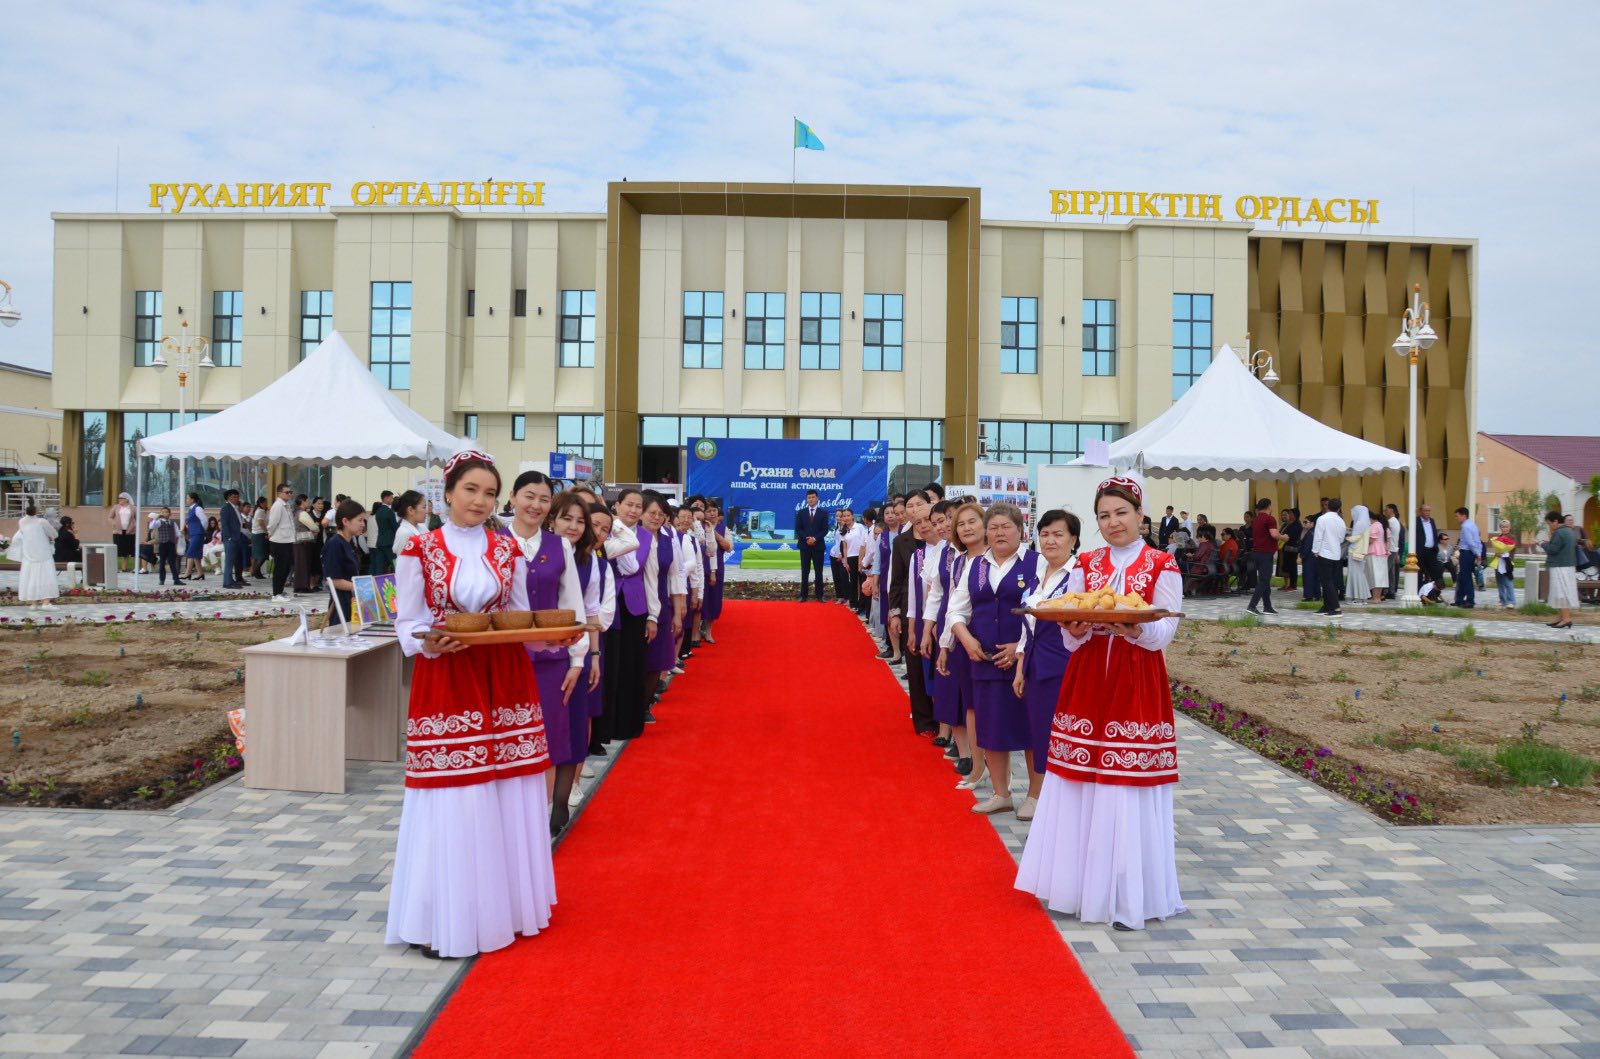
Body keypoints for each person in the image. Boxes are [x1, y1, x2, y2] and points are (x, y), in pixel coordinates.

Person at [387, 449, 577, 960]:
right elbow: (408, 621)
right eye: (471, 489)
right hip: (447, 677)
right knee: (456, 792)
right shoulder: (419, 548)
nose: (480, 500)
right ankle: (441, 919)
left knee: (507, 790)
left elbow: (517, 617)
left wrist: (556, 638)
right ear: (447, 492)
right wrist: (428, 642)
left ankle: (504, 910)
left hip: (505, 678)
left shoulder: (506, 548)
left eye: (489, 493)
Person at [1015, 474, 1185, 931]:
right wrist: (1074, 631)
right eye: (1104, 516)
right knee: (1078, 779)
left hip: (1136, 679)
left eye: (1121, 513)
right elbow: (1075, 629)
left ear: (1140, 515)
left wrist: (1137, 629)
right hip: (1087, 679)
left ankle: (1127, 894)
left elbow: (1165, 631)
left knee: (1123, 780)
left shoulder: (1162, 564)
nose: (1113, 523)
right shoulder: (1086, 564)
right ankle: (1075, 886)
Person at [943, 503, 1043, 816]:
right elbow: (956, 609)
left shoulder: (1036, 563)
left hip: (1025, 662)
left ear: (1021, 531)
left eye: (1006, 527)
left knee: (1030, 730)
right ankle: (1002, 794)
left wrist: (1020, 646)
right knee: (991, 728)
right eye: (994, 527)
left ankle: (1035, 796)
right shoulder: (976, 565)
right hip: (983, 659)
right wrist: (966, 638)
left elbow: (1044, 611)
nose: (999, 533)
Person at [509, 476, 591, 836]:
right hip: (504, 659)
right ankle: (509, 821)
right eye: (529, 496)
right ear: (513, 498)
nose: (536, 505)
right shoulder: (494, 542)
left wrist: (577, 659)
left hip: (551, 662)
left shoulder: (560, 547)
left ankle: (536, 828)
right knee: (509, 740)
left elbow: (573, 606)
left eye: (544, 499)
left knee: (549, 742)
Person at [1011, 509, 1080, 822]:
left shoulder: (1077, 576)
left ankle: (1060, 803)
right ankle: (1041, 797)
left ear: (1073, 539)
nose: (1050, 541)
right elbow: (1027, 629)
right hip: (1036, 668)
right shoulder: (1038, 575)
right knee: (1039, 734)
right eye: (1045, 534)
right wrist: (1020, 668)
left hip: (1065, 668)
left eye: (1058, 534)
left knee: (1061, 737)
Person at [889, 491, 937, 735]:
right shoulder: (902, 541)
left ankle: (944, 720)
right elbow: (896, 580)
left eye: (920, 504)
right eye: (910, 505)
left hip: (937, 613)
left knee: (938, 667)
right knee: (916, 666)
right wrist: (895, 612)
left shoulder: (942, 541)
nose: (915, 509)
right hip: (913, 611)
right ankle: (924, 720)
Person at [603, 488, 649, 742]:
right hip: (607, 602)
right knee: (610, 665)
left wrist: (654, 615)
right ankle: (605, 726)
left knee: (630, 665)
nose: (633, 510)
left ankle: (627, 724)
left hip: (633, 604)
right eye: (629, 504)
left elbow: (643, 571)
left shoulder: (645, 536)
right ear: (617, 505)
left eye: (638, 506)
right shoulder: (602, 529)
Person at [639, 493, 678, 720]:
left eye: (661, 514)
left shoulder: (667, 539)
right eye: (651, 513)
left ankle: (645, 706)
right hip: (635, 604)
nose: (656, 518)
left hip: (662, 604)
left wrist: (678, 611)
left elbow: (675, 576)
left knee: (656, 660)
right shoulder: (630, 538)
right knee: (637, 659)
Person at [585, 503, 618, 758]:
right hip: (553, 643)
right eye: (594, 524)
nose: (598, 532)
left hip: (591, 642)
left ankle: (579, 763)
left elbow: (604, 613)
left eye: (605, 529)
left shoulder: (603, 566)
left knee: (586, 705)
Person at [322, 499, 366, 623]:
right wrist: (361, 587)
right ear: (345, 521)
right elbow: (333, 580)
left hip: (352, 604)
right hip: (341, 608)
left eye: (363, 520)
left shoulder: (349, 543)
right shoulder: (335, 544)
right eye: (360, 520)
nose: (363, 524)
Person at [9, 505, 59, 608]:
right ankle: (45, 603)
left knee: (31, 577)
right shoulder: (41, 522)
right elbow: (54, 534)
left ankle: (34, 603)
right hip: (43, 554)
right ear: (35, 511)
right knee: (46, 577)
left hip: (29, 554)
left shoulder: (22, 521)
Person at [700, 499, 731, 643]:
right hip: (700, 568)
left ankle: (708, 632)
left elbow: (728, 547)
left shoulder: (723, 529)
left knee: (713, 600)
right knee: (700, 599)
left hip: (717, 568)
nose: (712, 513)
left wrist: (714, 533)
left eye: (714, 510)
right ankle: (696, 630)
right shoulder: (698, 527)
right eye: (709, 511)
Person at [1542, 510, 1577, 629]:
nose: (1549, 526)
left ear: (1556, 521)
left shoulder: (1559, 532)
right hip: (1567, 566)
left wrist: (1542, 544)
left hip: (1560, 567)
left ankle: (1566, 619)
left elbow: (1553, 549)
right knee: (1561, 592)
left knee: (1561, 593)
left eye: (1549, 523)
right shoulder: (1569, 531)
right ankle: (1561, 617)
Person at [1312, 498, 1346, 616]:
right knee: (1331, 581)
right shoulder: (1341, 521)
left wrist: (1315, 550)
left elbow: (1318, 536)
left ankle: (1336, 608)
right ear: (1339, 508)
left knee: (1326, 582)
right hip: (1336, 554)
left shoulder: (1322, 519)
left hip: (1324, 553)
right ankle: (1327, 606)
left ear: (1328, 506)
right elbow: (1341, 538)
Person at [1246, 498, 1280, 614]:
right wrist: (1283, 537)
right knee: (1264, 580)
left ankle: (1267, 606)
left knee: (1264, 579)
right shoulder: (1270, 519)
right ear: (1269, 506)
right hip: (1266, 553)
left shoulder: (1256, 520)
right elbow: (1274, 534)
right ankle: (1252, 606)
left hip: (1257, 552)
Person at [795, 489, 829, 602]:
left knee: (818, 571)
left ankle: (820, 595)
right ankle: (803, 595)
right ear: (806, 499)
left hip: (818, 546)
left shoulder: (823, 513)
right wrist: (807, 538)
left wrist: (815, 538)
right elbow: (798, 529)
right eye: (809, 497)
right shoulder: (801, 512)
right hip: (804, 546)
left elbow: (825, 530)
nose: (811, 499)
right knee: (805, 571)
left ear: (817, 498)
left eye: (813, 497)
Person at [267, 483, 297, 601]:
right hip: (279, 540)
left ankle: (280, 590)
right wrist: (271, 534)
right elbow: (272, 523)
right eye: (287, 492)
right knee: (280, 568)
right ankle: (276, 593)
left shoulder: (286, 505)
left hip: (287, 540)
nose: (289, 494)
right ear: (279, 493)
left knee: (286, 567)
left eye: (290, 492)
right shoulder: (278, 506)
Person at [1453, 507, 1482, 608]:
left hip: (1466, 553)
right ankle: (1459, 600)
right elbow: (1477, 540)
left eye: (1457, 516)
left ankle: (1470, 600)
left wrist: (1478, 554)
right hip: (1470, 553)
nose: (1456, 518)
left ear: (1463, 515)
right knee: (1462, 577)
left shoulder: (1465, 527)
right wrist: (1478, 552)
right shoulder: (1473, 525)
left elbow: (1470, 542)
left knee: (1466, 577)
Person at [1415, 504, 1442, 602]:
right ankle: (1420, 594)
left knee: (1435, 573)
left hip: (1431, 551)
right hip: (1421, 551)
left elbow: (1434, 534)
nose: (1427, 513)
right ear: (1421, 511)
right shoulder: (1416, 521)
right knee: (1419, 573)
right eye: (1425, 511)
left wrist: (1435, 545)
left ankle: (1435, 595)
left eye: (1429, 511)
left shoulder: (1432, 521)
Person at [219, 489, 246, 589]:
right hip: (230, 538)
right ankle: (227, 582)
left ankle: (231, 579)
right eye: (234, 497)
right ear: (229, 498)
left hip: (237, 537)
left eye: (237, 497)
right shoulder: (226, 508)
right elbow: (225, 524)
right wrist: (229, 537)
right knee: (229, 561)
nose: (237, 498)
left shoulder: (236, 508)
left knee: (234, 560)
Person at [1345, 505, 1372, 603]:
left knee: (1355, 574)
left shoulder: (1359, 523)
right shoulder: (1366, 523)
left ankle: (1357, 598)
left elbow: (1355, 538)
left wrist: (1345, 537)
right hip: (1362, 551)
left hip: (1354, 551)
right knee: (1360, 574)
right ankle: (1362, 597)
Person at [150, 505, 182, 586]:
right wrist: (155, 518)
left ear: (170, 514)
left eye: (166, 512)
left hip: (171, 544)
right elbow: (152, 526)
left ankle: (176, 580)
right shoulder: (159, 522)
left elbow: (177, 533)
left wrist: (178, 538)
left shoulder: (173, 523)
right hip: (163, 544)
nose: (164, 513)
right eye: (163, 512)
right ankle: (161, 579)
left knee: (172, 562)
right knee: (162, 562)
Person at [1490, 519, 1518, 609]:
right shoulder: (1498, 538)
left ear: (1510, 527)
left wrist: (1505, 555)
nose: (1505, 528)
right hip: (1498, 561)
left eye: (1506, 527)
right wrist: (1497, 554)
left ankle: (1511, 601)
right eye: (1503, 527)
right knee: (1500, 582)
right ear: (1500, 528)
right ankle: (1502, 600)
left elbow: (1513, 550)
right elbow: (1497, 549)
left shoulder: (1512, 537)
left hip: (1507, 562)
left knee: (1508, 582)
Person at [371, 489, 399, 575]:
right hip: (389, 542)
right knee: (396, 564)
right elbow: (395, 527)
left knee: (381, 567)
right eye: (391, 498)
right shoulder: (389, 511)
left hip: (380, 542)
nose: (392, 500)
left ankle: (379, 582)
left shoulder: (378, 511)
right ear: (386, 498)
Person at [108, 492, 137, 573]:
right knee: (117, 549)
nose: (119, 500)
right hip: (118, 531)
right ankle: (115, 568)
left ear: (126, 499)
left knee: (127, 550)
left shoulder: (133, 508)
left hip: (129, 532)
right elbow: (110, 517)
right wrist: (114, 523)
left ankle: (124, 567)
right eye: (119, 498)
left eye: (121, 498)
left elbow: (137, 518)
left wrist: (134, 525)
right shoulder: (116, 507)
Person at [182, 492, 206, 581]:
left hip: (197, 533)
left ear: (192, 499)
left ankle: (187, 573)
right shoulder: (191, 509)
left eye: (187, 498)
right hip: (193, 533)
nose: (186, 500)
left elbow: (204, 520)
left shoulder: (198, 508)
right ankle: (200, 573)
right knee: (195, 554)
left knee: (191, 552)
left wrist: (200, 530)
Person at [1279, 507, 1301, 592]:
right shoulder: (1290, 524)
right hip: (1287, 548)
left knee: (1292, 567)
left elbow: (1293, 536)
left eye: (1290, 514)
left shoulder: (1297, 525)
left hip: (1292, 549)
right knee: (1289, 567)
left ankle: (1293, 585)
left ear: (1295, 515)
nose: (1289, 515)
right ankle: (1290, 584)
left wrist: (1285, 537)